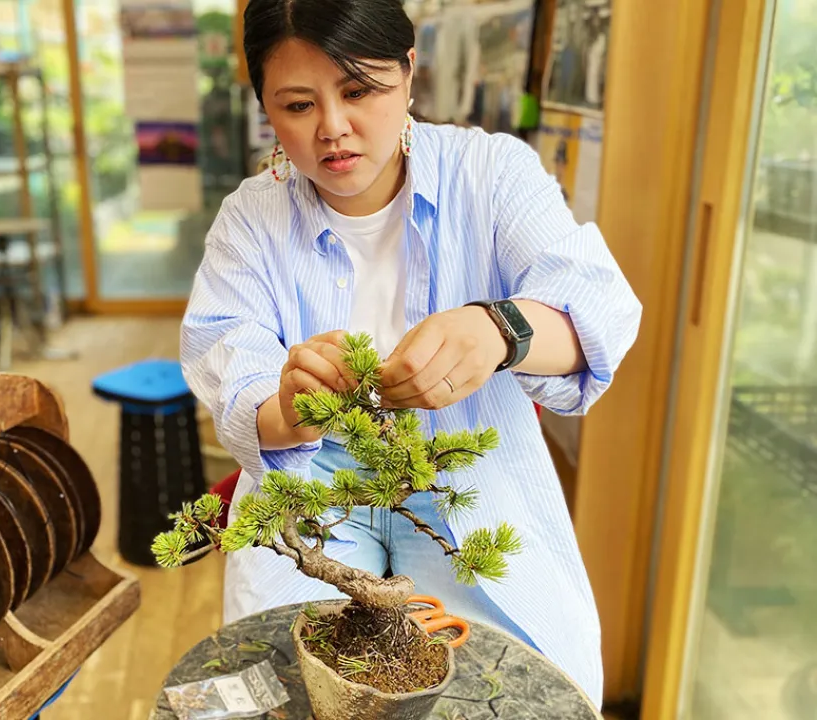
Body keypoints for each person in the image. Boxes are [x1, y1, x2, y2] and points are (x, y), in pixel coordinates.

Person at [180, 0, 641, 708]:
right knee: (286, 682)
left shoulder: (490, 173)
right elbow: (227, 359)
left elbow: (599, 305)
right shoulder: (251, 217)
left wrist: (500, 330)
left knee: (523, 680)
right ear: (265, 107)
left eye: (359, 90)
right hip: (312, 486)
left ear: (409, 72)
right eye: (297, 105)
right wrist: (287, 408)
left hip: (470, 468)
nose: (332, 128)